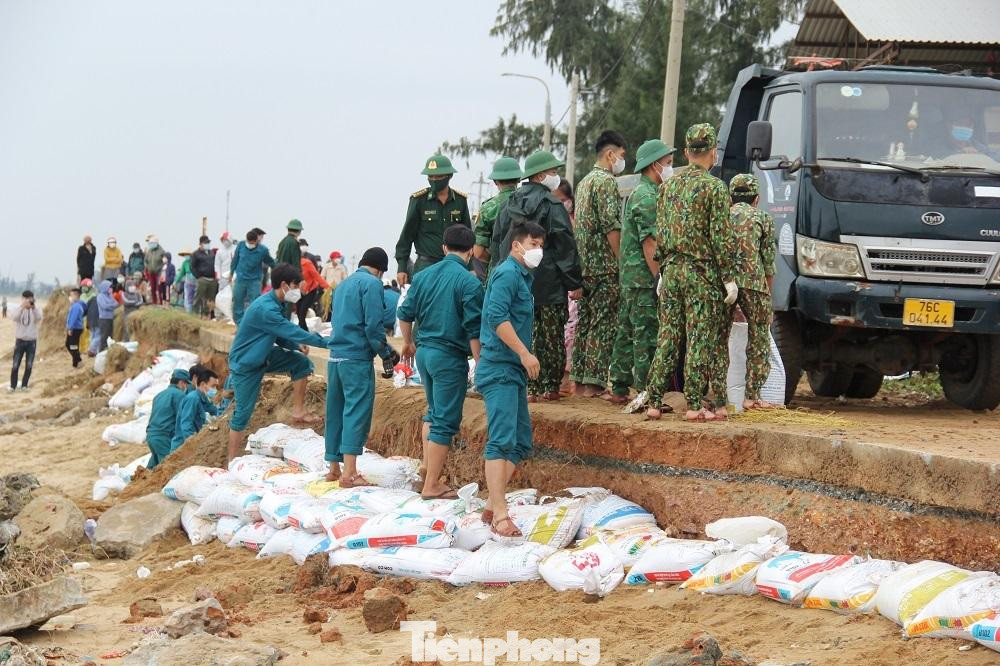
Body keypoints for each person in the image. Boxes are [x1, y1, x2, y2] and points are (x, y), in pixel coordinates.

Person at [644, 124, 738, 422]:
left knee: (668, 337)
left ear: (686, 152)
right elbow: (721, 238)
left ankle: (654, 401)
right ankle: (695, 404)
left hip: (671, 272)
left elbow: (660, 231)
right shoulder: (715, 188)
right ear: (713, 152)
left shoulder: (667, 186)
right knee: (698, 337)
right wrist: (729, 278)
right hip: (701, 274)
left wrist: (661, 272)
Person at [398, 225, 483, 499]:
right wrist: (480, 362)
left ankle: (426, 468)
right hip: (448, 357)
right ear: (470, 251)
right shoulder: (469, 282)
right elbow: (473, 328)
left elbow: (405, 312)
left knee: (433, 413)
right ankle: (432, 484)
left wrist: (408, 342)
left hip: (423, 353)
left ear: (444, 247)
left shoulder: (422, 276)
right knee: (445, 422)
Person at [491, 150, 582, 402]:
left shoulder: (509, 204)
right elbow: (565, 245)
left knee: (523, 330)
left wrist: (502, 275)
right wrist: (574, 281)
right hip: (549, 281)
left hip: (517, 279)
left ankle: (528, 388)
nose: (556, 176)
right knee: (552, 335)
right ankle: (549, 387)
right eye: (553, 172)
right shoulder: (553, 205)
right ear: (541, 175)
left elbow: (499, 242)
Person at [475, 222, 544, 540]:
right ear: (517, 246)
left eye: (541, 243)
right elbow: (496, 317)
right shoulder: (506, 274)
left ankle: (492, 503)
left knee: (519, 442)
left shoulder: (522, 277)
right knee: (501, 441)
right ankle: (500, 515)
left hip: (511, 370)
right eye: (533, 243)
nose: (537, 249)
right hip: (500, 367)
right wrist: (524, 353)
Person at [227, 263, 328, 461]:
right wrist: (325, 342)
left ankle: (298, 411)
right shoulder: (266, 309)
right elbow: (290, 330)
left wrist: (295, 346)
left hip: (264, 356)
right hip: (246, 365)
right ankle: (231, 460)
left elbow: (280, 335)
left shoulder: (276, 304)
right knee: (242, 415)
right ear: (284, 285)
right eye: (296, 286)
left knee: (301, 364)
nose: (299, 290)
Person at [608, 139, 676, 405]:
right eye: (668, 164)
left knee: (626, 332)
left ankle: (619, 388)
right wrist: (660, 277)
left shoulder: (643, 192)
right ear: (654, 166)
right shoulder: (648, 197)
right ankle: (647, 392)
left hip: (631, 277)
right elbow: (651, 243)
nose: (670, 168)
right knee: (646, 334)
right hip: (643, 278)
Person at [324, 248, 399, 485]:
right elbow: (373, 327)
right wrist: (387, 354)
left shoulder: (344, 285)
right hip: (356, 360)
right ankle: (350, 474)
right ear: (380, 270)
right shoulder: (373, 284)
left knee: (335, 412)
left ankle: (333, 468)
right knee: (356, 412)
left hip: (335, 358)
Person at [571, 130, 628, 398]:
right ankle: (594, 383)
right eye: (621, 155)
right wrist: (621, 262)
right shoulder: (605, 183)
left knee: (586, 322)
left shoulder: (583, 183)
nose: (621, 160)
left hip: (586, 267)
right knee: (603, 325)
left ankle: (580, 381)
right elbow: (611, 227)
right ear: (610, 154)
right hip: (605, 267)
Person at [728, 173, 777, 410]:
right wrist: (769, 297)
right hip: (755, 285)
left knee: (717, 338)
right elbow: (768, 263)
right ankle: (751, 396)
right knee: (758, 338)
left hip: (724, 284)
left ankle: (718, 395)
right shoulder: (763, 218)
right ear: (756, 198)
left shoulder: (722, 216)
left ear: (730, 196)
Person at [395, 154, 472, 286]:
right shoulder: (419, 200)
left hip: (454, 266)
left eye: (438, 176)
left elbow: (468, 236)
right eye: (430, 176)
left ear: (449, 176)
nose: (434, 179)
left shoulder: (460, 201)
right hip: (426, 266)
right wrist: (402, 267)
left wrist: (470, 267)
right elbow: (407, 236)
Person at [473, 156, 522, 272]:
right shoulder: (529, 203)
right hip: (526, 271)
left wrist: (496, 260)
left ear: (495, 182)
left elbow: (478, 252)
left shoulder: (488, 208)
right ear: (519, 179)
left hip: (497, 271)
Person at [145, 368, 191, 470]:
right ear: (181, 382)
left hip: (151, 436)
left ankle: (136, 482)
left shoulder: (159, 395)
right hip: (163, 438)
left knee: (152, 468)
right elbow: (183, 419)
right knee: (168, 470)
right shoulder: (179, 395)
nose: (186, 387)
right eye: (186, 384)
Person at [171, 364, 221, 453]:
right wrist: (194, 445)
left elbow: (214, 410)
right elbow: (186, 425)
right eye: (213, 386)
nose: (215, 390)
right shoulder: (193, 398)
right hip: (182, 448)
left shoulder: (203, 398)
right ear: (202, 384)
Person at [230, 229, 276, 325]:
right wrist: (231, 273)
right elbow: (235, 260)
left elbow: (271, 262)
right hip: (240, 279)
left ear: (256, 241)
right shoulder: (241, 246)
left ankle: (253, 324)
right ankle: (239, 324)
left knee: (255, 303)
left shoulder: (263, 250)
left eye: (252, 243)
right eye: (248, 242)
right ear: (246, 240)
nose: (250, 244)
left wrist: (278, 271)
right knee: (237, 301)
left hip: (254, 281)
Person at [9, 291, 42, 392]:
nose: (27, 301)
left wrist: (33, 307)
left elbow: (39, 318)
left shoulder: (36, 309)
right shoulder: (18, 308)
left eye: (29, 299)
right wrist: (22, 307)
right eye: (25, 299)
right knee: (15, 364)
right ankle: (13, 386)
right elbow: (14, 317)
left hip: (31, 341)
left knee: (29, 365)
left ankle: (24, 385)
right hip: (20, 340)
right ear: (22, 298)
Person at [297, 239, 328, 330]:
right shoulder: (293, 264)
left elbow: (316, 275)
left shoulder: (307, 263)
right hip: (300, 291)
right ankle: (301, 330)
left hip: (310, 290)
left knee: (302, 312)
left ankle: (304, 332)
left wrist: (327, 287)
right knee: (299, 312)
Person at [192, 235, 218, 318]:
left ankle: (206, 315)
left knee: (210, 299)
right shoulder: (196, 254)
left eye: (208, 242)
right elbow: (192, 266)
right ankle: (194, 315)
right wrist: (198, 276)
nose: (207, 244)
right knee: (198, 298)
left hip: (212, 279)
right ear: (201, 244)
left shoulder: (211, 253)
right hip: (202, 279)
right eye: (206, 243)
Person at [321, 251, 348, 321]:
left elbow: (345, 279)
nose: (338, 259)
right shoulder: (327, 267)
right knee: (327, 306)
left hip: (338, 290)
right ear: (332, 259)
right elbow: (322, 277)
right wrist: (325, 286)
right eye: (337, 258)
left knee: (336, 306)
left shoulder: (342, 267)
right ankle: (327, 320)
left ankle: (336, 320)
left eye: (339, 258)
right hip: (327, 290)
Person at [65, 287, 86, 368]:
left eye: (71, 295)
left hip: (75, 328)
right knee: (70, 345)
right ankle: (76, 362)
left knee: (72, 345)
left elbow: (73, 318)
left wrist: (70, 328)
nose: (70, 297)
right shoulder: (76, 305)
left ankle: (78, 361)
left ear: (76, 295)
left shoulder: (76, 306)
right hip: (76, 328)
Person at [96, 279, 118, 351]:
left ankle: (108, 351)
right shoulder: (100, 296)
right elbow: (104, 306)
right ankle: (101, 351)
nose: (111, 289)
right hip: (104, 319)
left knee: (110, 336)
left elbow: (116, 304)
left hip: (111, 318)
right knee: (104, 336)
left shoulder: (110, 296)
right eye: (109, 287)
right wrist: (112, 306)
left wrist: (111, 305)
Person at [121, 272, 143, 342]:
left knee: (136, 328)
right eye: (131, 286)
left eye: (133, 286)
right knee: (127, 329)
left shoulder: (137, 293)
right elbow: (126, 301)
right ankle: (126, 341)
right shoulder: (124, 294)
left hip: (136, 314)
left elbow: (141, 301)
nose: (133, 287)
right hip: (127, 314)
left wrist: (137, 303)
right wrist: (134, 303)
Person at [144, 236, 166, 305]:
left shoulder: (161, 251)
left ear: (156, 243)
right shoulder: (149, 251)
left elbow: (165, 261)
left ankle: (161, 303)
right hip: (151, 272)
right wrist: (147, 267)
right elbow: (145, 261)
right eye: (150, 243)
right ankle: (154, 302)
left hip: (159, 272)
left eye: (152, 243)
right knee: (152, 288)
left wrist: (163, 267)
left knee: (159, 288)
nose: (151, 244)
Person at [82, 279, 101, 357]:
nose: (83, 288)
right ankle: (92, 349)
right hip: (93, 320)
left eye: (84, 286)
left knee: (92, 336)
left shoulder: (92, 296)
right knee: (96, 335)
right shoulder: (83, 296)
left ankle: (93, 351)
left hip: (90, 320)